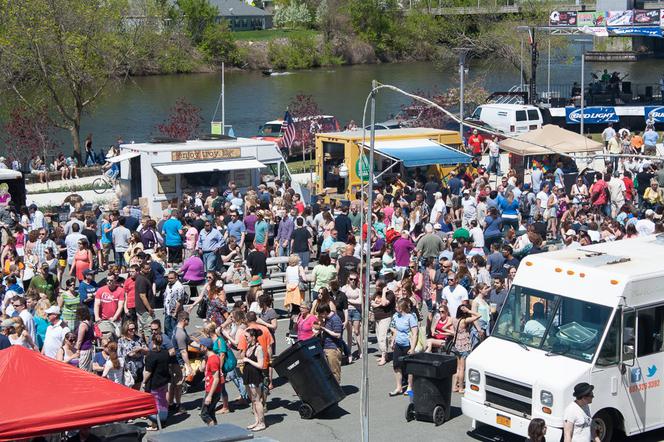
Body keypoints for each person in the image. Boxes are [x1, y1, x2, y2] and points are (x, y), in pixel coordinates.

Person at [389, 298, 418, 396]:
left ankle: (410, 387)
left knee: (409, 367)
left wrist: (412, 348)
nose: (396, 308)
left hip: (408, 345)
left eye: (397, 306)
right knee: (396, 365)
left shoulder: (410, 317)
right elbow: (394, 329)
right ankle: (399, 387)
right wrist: (393, 340)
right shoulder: (396, 316)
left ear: (402, 308)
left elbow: (415, 334)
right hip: (398, 344)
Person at [143, 333, 171, 431]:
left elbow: (148, 372)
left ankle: (155, 424)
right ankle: (163, 420)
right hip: (164, 381)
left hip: (154, 382)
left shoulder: (151, 355)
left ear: (153, 342)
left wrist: (143, 381)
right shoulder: (165, 353)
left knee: (154, 403)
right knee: (162, 401)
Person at [453, 302, 481, 393]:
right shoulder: (465, 320)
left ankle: (454, 386)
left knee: (457, 368)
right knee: (462, 368)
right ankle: (461, 388)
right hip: (464, 345)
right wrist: (469, 310)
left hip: (456, 344)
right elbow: (478, 315)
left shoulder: (454, 320)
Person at [242, 328, 267, 432]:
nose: (245, 338)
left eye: (247, 337)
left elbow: (260, 365)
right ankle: (256, 421)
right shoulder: (250, 346)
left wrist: (247, 360)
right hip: (248, 375)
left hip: (255, 376)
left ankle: (262, 423)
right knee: (252, 400)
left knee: (257, 400)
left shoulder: (258, 348)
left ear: (253, 337)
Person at [199, 337, 224, 427]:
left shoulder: (213, 360)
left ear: (205, 347)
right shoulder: (208, 358)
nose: (199, 347)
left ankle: (213, 431)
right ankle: (216, 430)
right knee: (211, 412)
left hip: (212, 391)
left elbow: (216, 378)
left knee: (204, 414)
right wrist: (203, 359)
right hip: (211, 389)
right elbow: (201, 369)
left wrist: (209, 396)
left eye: (200, 346)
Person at [317, 303, 344, 383]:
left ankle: (337, 391)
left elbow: (338, 335)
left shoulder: (335, 319)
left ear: (325, 312)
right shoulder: (327, 319)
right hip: (326, 347)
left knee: (334, 371)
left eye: (320, 313)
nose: (320, 315)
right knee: (327, 371)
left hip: (333, 348)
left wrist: (325, 329)